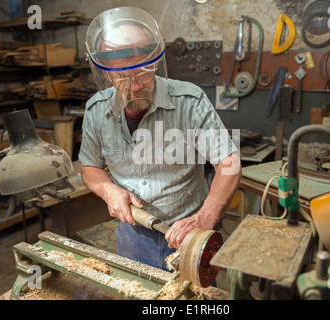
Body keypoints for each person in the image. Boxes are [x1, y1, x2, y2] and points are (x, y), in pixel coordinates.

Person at [79, 6, 241, 271]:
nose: (135, 85)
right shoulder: (96, 111)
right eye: (122, 76)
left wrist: (205, 217)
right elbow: (90, 167)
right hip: (133, 234)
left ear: (156, 61)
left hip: (188, 232)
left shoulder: (190, 100)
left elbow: (229, 162)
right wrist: (109, 190)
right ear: (106, 73)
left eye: (143, 71)